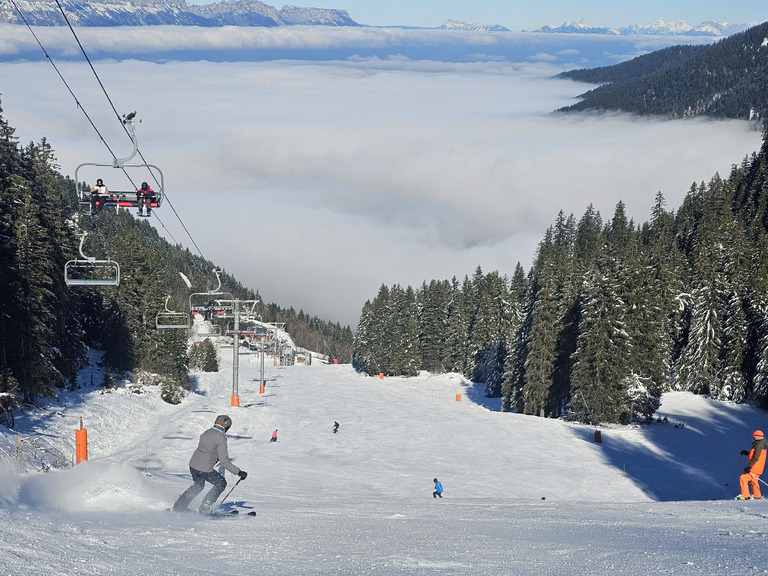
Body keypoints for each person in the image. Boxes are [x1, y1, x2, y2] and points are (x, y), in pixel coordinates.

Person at [173, 415, 247, 514]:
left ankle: (180, 505)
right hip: (204, 469)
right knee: (221, 483)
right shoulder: (221, 438)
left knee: (198, 485)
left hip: (193, 465)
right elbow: (224, 462)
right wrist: (239, 472)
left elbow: (207, 450)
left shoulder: (207, 432)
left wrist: (214, 458)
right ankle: (204, 507)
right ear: (226, 427)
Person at [737, 430, 766, 500]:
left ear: (757, 436)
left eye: (754, 436)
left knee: (743, 478)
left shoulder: (759, 445)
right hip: (758, 467)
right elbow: (754, 453)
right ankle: (757, 495)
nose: (753, 437)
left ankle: (745, 495)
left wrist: (749, 466)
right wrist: (747, 453)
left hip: (755, 466)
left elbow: (756, 457)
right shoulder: (759, 443)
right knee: (754, 480)